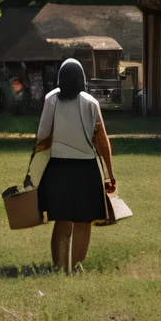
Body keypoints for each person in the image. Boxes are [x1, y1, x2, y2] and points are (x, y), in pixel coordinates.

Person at [34, 58, 116, 274]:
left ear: (59, 79)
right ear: (83, 80)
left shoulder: (51, 100)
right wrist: (109, 174)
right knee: (83, 221)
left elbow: (43, 138)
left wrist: (32, 172)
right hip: (86, 170)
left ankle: (60, 268)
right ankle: (76, 267)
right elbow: (101, 141)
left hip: (58, 169)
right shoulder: (91, 103)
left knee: (62, 220)